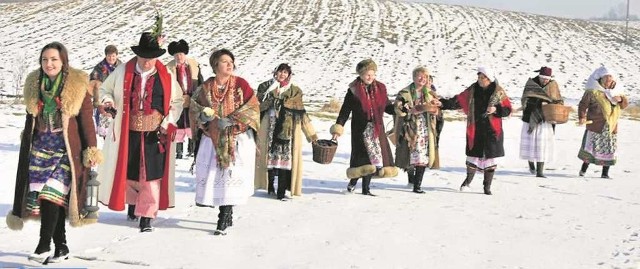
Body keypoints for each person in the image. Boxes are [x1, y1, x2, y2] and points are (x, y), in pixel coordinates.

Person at [6, 42, 102, 264]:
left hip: (65, 150)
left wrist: (91, 149)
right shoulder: (34, 85)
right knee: (50, 199)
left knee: (51, 194)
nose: (49, 64)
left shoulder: (77, 86)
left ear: (63, 61)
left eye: (54, 60)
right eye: (45, 60)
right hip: (40, 149)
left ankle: (43, 244)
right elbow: (30, 120)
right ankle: (61, 246)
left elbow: (87, 122)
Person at [97, 32, 183, 232]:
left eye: (151, 58)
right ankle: (134, 204)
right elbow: (104, 90)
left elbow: (177, 101)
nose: (147, 62)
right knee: (131, 170)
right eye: (144, 57)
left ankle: (147, 215)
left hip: (155, 132)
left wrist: (168, 121)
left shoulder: (166, 75)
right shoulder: (122, 72)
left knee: (151, 173)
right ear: (138, 55)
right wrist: (108, 101)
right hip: (129, 130)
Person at [189, 49, 259, 235]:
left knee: (230, 178)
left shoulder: (240, 85)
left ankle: (225, 215)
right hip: (212, 140)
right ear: (215, 65)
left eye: (231, 61)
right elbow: (194, 109)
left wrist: (233, 119)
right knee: (216, 178)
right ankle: (223, 211)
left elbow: (253, 107)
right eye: (224, 61)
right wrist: (203, 117)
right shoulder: (205, 87)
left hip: (236, 139)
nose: (229, 64)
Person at [439, 67, 512, 195]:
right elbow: (458, 100)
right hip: (476, 127)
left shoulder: (498, 92)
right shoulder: (472, 90)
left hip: (492, 131)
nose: (479, 80)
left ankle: (487, 187)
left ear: (489, 79)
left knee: (490, 158)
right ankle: (467, 182)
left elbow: (507, 109)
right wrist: (443, 104)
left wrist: (496, 110)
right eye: (478, 77)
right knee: (473, 156)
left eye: (482, 78)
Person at [330, 59, 397, 196]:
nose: (370, 77)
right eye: (367, 74)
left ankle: (366, 189)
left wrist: (399, 108)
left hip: (376, 130)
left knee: (373, 160)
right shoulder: (353, 91)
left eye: (372, 74)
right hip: (361, 130)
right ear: (361, 75)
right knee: (362, 160)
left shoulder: (380, 88)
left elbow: (387, 107)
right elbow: (345, 111)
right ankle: (353, 183)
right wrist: (338, 129)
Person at [254, 63, 318, 200]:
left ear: (289, 75)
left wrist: (312, 135)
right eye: (280, 72)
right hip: (268, 127)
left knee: (284, 161)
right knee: (268, 159)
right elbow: (257, 107)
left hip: (287, 130)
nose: (282, 75)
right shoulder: (265, 87)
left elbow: (301, 113)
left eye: (285, 72)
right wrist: (271, 99)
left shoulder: (295, 91)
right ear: (275, 72)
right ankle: (269, 186)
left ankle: (281, 191)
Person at [394, 66, 441, 194]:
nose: (422, 79)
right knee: (409, 155)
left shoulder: (430, 93)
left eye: (425, 77)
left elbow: (437, 111)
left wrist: (434, 108)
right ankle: (412, 180)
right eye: (419, 76)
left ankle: (417, 185)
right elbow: (397, 108)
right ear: (414, 77)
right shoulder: (405, 92)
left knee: (422, 156)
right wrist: (404, 107)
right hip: (409, 128)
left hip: (425, 129)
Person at [577, 66, 628, 178]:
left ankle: (605, 173)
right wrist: (582, 117)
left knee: (609, 150)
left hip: (610, 126)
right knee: (591, 150)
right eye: (607, 81)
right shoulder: (592, 92)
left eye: (611, 81)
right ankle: (583, 170)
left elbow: (624, 105)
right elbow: (582, 105)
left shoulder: (616, 91)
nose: (609, 83)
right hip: (595, 125)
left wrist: (621, 99)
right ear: (601, 80)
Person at [519, 66, 564, 178]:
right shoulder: (531, 84)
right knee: (531, 144)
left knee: (542, 145)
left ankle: (540, 172)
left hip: (546, 119)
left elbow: (559, 100)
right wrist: (538, 104)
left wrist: (551, 105)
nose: (545, 80)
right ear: (539, 76)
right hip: (531, 117)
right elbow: (525, 99)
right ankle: (530, 163)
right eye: (543, 78)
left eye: (547, 79)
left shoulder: (553, 85)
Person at [166, 39, 203, 159]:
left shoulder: (194, 65)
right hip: (177, 100)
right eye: (176, 55)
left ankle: (192, 149)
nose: (179, 57)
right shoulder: (169, 68)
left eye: (181, 54)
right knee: (178, 124)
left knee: (192, 123)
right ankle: (178, 151)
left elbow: (200, 82)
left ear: (185, 54)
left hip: (192, 99)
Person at [90, 45, 122, 138]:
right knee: (106, 132)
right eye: (109, 56)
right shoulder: (99, 68)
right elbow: (92, 84)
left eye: (113, 56)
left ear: (116, 55)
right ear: (106, 56)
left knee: (118, 128)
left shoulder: (121, 66)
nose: (111, 58)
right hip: (104, 100)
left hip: (118, 99)